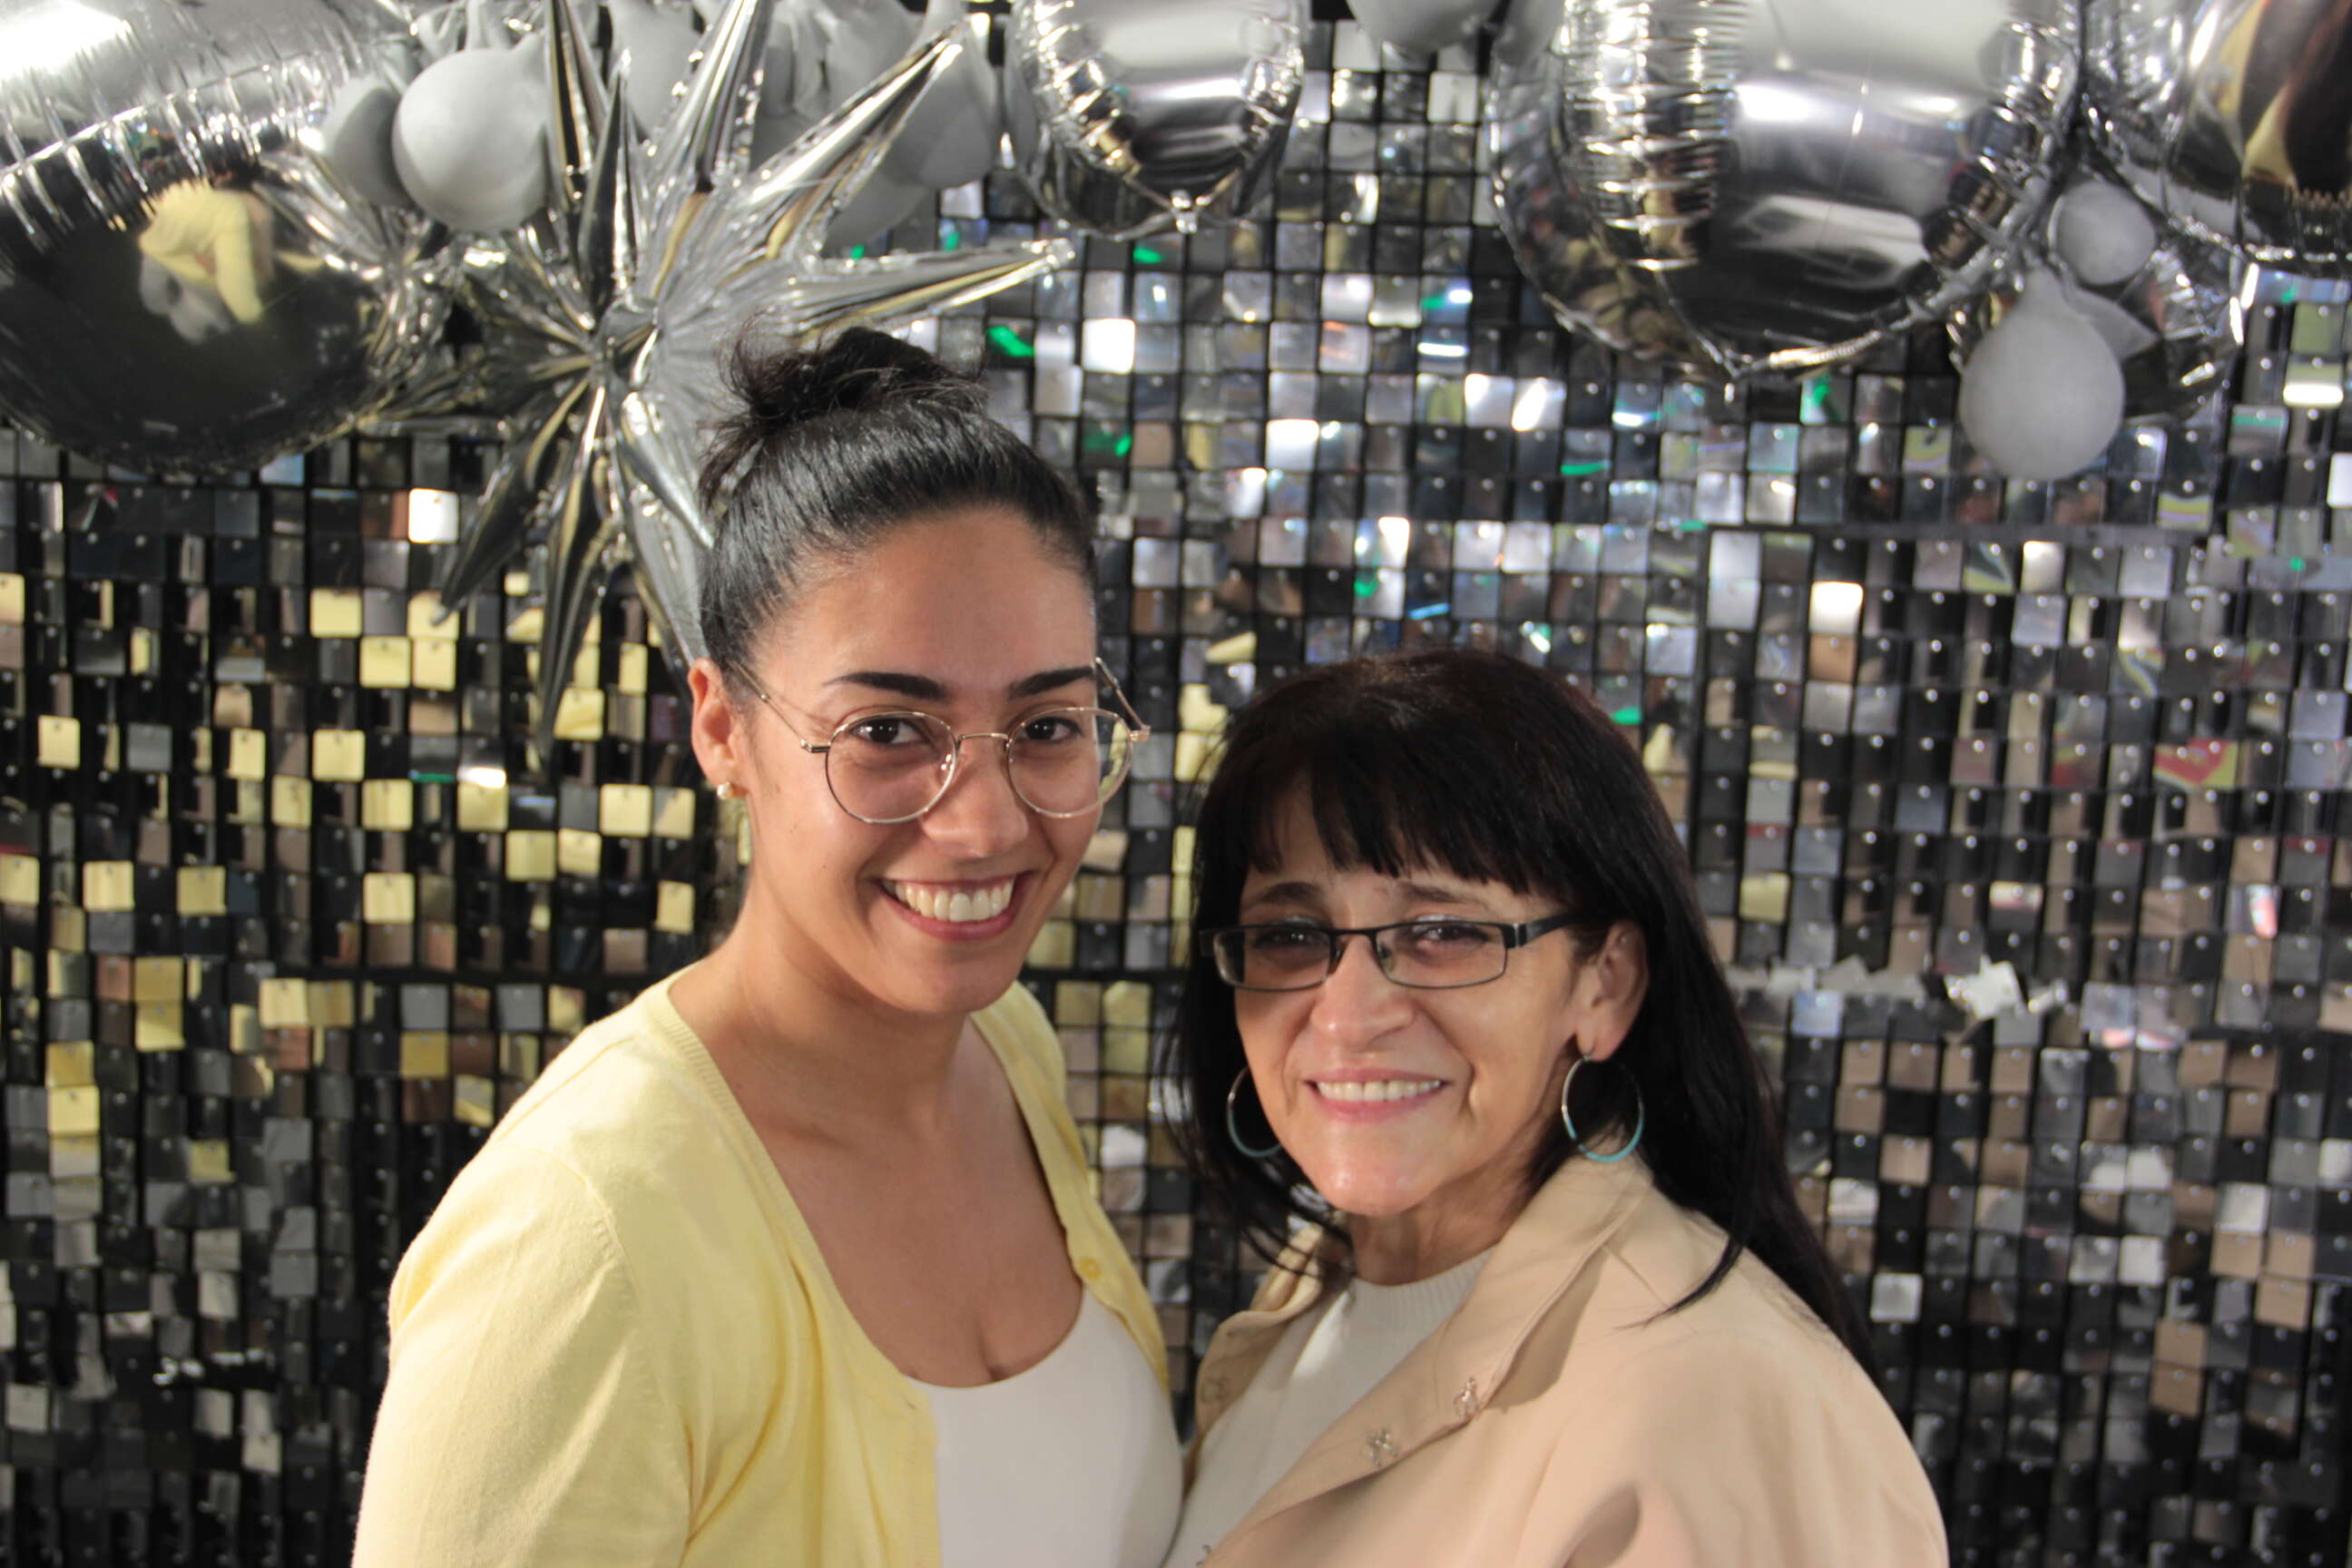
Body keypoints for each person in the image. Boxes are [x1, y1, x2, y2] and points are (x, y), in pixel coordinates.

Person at [355, 327, 1182, 1567]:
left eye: (1048, 725)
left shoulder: (1006, 1053)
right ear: (723, 731)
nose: (985, 825)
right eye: (888, 729)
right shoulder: (582, 1238)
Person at [1159, 649, 1945, 1567]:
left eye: (1445, 932)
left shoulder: (1707, 1394)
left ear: (1604, 985)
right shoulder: (1322, 1290)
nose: (1347, 1016)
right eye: (1292, 935)